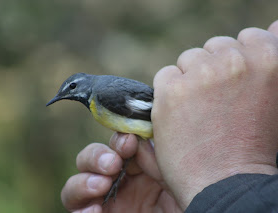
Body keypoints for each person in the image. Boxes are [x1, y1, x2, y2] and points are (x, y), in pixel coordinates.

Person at [61, 20, 278, 213]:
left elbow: (150, 111)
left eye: (71, 88)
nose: (69, 95)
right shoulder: (98, 101)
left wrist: (226, 183)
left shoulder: (104, 94)